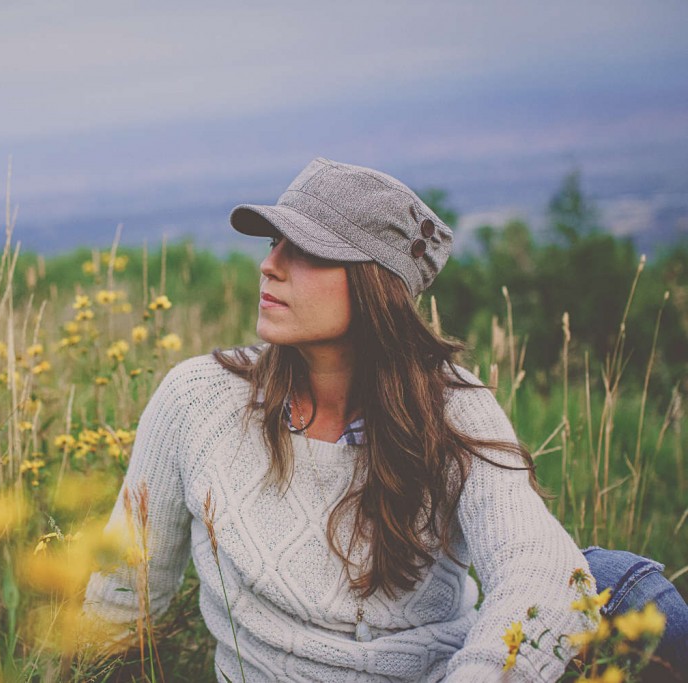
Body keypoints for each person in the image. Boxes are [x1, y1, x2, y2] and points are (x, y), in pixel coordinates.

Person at [83, 158, 687, 681]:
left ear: (377, 286)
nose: (270, 266)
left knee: (623, 584)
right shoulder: (199, 398)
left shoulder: (450, 406)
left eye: (306, 250)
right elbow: (122, 599)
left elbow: (540, 565)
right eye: (272, 243)